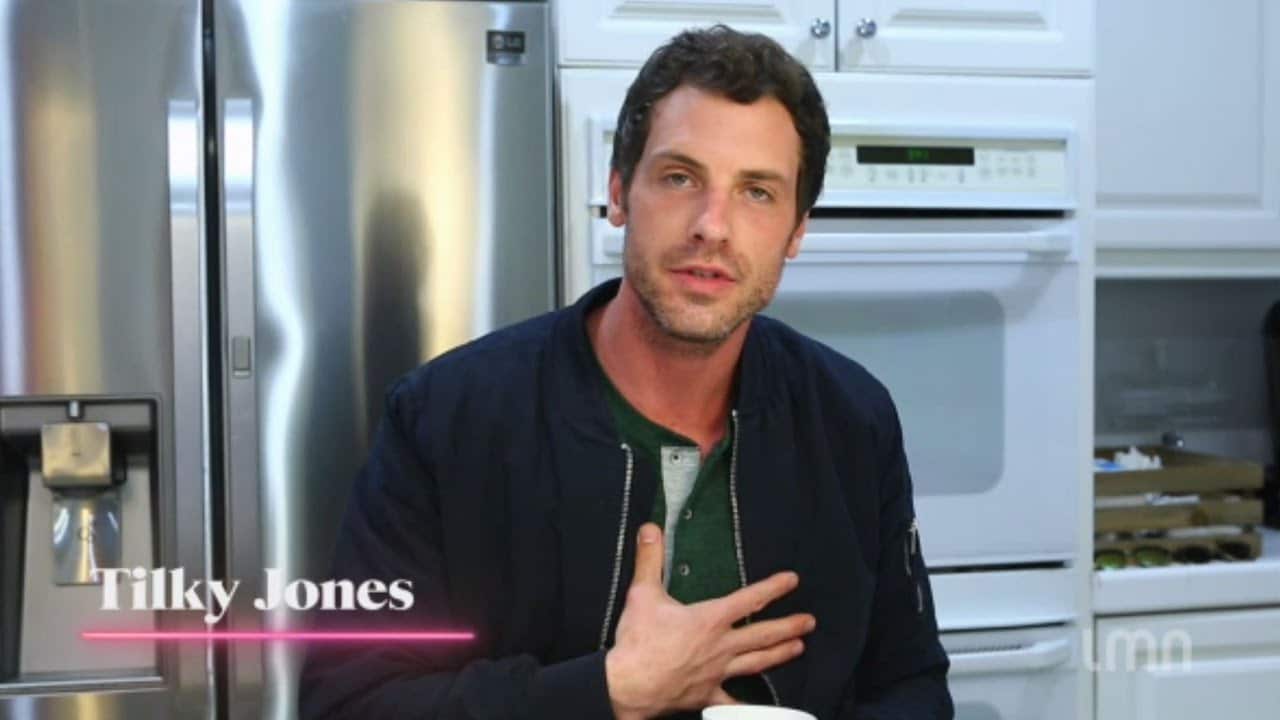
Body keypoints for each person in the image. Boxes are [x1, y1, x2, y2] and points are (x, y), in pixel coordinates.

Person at [300, 24, 952, 719]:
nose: (713, 225)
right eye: (680, 178)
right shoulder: (446, 419)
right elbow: (348, 702)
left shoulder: (852, 419)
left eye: (757, 193)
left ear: (796, 231)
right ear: (618, 192)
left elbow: (913, 690)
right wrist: (609, 690)